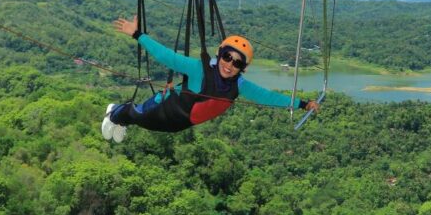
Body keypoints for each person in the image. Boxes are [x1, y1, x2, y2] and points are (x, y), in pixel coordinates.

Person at [101, 15, 319, 142]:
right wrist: (137, 34)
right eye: (227, 57)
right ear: (219, 54)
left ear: (243, 68)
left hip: (179, 123)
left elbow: (269, 97)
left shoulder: (238, 86)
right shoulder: (200, 69)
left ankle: (121, 120)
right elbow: (165, 56)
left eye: (237, 62)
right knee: (137, 114)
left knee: (150, 126)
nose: (230, 64)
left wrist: (302, 104)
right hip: (164, 107)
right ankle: (114, 114)